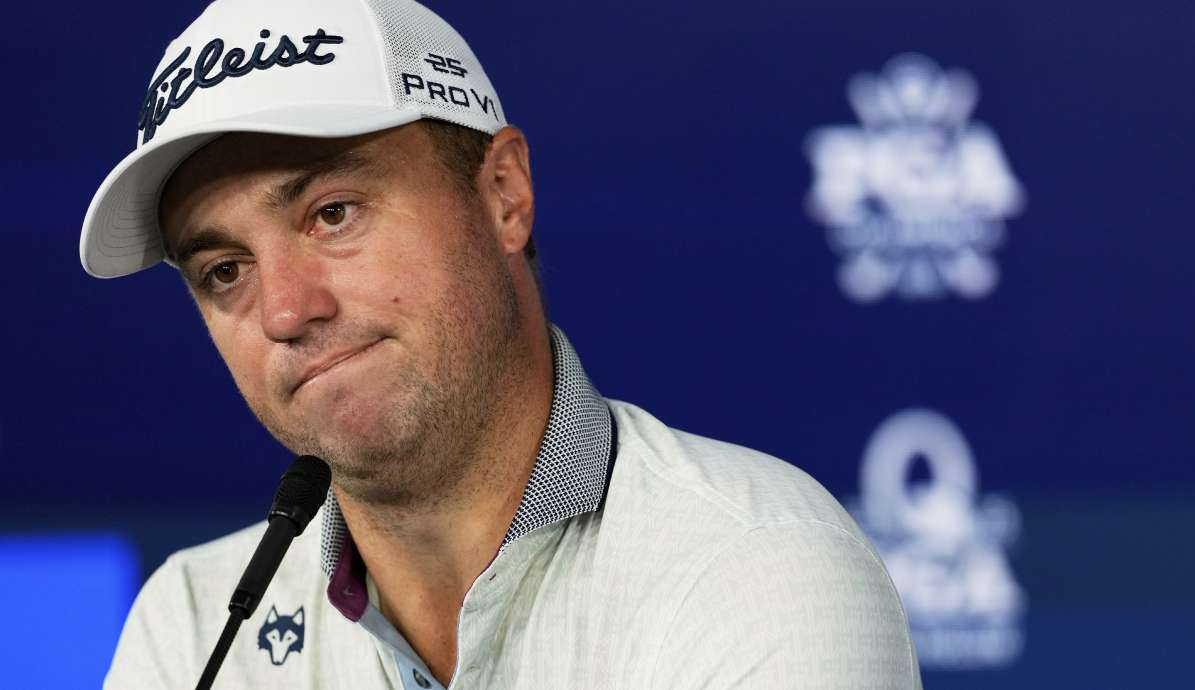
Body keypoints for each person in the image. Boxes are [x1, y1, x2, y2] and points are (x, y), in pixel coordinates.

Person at [81, 1, 921, 688]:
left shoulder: (756, 571)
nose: (285, 312)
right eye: (225, 270)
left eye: (333, 213)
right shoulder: (193, 627)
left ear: (504, 194)